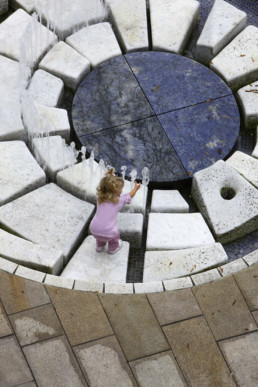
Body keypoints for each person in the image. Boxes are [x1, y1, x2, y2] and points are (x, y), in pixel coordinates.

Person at [90, 168, 141, 254]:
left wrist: (111, 178)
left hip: (94, 230)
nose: (121, 191)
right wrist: (136, 188)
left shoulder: (100, 198)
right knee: (115, 232)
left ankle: (99, 246)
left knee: (101, 227)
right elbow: (129, 195)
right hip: (109, 233)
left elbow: (107, 185)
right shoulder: (118, 201)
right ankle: (113, 248)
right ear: (115, 191)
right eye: (120, 189)